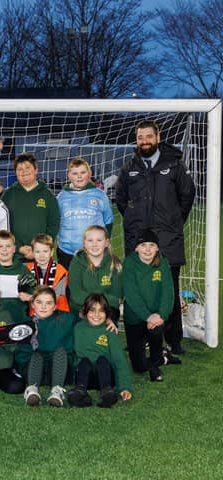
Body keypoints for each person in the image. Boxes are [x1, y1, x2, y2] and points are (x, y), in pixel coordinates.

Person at [115, 119, 196, 355]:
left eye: (149, 136)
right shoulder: (129, 167)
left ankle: (173, 340)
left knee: (168, 290)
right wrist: (134, 221)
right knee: (137, 290)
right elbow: (121, 200)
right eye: (140, 137)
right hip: (138, 240)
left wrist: (173, 220)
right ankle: (140, 339)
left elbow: (187, 195)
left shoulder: (174, 164)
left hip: (167, 239)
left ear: (157, 138)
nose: (144, 141)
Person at [122, 228, 176, 382]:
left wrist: (161, 315)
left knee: (157, 330)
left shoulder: (163, 263)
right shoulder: (129, 263)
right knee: (138, 367)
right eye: (143, 245)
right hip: (135, 317)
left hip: (156, 318)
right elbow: (131, 295)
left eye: (151, 245)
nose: (147, 249)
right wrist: (147, 316)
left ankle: (155, 364)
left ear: (157, 248)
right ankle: (163, 357)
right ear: (136, 248)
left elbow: (168, 292)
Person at [68, 293, 132, 408]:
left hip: (104, 375)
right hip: (84, 376)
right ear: (85, 311)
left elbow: (120, 361)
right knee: (84, 361)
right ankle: (80, 392)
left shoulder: (109, 331)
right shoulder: (78, 328)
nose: (96, 315)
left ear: (107, 313)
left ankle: (107, 392)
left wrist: (124, 387)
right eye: (92, 310)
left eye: (101, 311)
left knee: (102, 360)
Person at [20, 286, 75, 407]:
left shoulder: (66, 318)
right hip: (35, 369)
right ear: (32, 304)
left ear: (55, 306)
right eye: (39, 302)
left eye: (48, 303)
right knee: (37, 354)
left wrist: (108, 319)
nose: (43, 307)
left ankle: (57, 391)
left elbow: (88, 319)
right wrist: (31, 338)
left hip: (58, 370)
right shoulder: (26, 325)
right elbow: (21, 356)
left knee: (60, 350)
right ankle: (32, 389)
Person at [1, 152, 59, 262]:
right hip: (14, 255)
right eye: (20, 169)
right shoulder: (8, 195)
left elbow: (53, 225)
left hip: (41, 255)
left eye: (27, 167)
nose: (24, 172)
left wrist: (39, 247)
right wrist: (18, 247)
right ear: (15, 172)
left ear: (36, 170)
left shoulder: (47, 195)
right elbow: (3, 225)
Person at [56, 158, 113, 269]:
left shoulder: (100, 195)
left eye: (83, 172)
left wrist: (104, 242)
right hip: (67, 252)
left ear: (89, 173)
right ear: (69, 176)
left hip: (95, 251)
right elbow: (56, 222)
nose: (79, 176)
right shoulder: (61, 197)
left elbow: (108, 220)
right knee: (69, 285)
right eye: (75, 173)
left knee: (95, 284)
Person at [68, 225, 122, 324]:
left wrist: (100, 310)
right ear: (84, 243)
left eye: (99, 240)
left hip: (107, 310)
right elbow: (76, 294)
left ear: (106, 243)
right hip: (81, 309)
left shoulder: (115, 264)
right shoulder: (77, 262)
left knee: (105, 334)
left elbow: (116, 297)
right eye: (90, 240)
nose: (94, 244)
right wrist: (101, 297)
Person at [0, 230, 34, 323]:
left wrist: (29, 294)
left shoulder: (23, 270)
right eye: (0, 246)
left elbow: (36, 296)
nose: (4, 249)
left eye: (8, 246)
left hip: (19, 318)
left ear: (14, 249)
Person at [25, 234, 69, 312]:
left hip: (58, 312)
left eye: (45, 251)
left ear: (51, 252)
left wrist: (31, 297)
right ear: (32, 253)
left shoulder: (61, 271)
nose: (41, 255)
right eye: (37, 251)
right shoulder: (27, 269)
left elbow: (56, 297)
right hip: (34, 312)